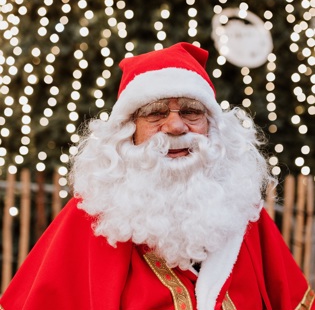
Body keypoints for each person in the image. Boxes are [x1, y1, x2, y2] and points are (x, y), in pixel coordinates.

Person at [0, 42, 314, 310]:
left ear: (212, 128)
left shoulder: (242, 212)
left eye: (191, 111)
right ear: (129, 132)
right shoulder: (94, 218)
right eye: (155, 113)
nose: (176, 127)